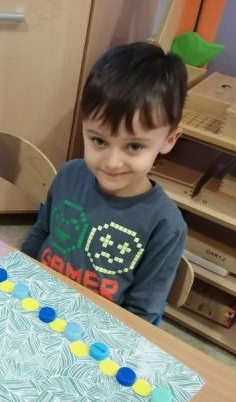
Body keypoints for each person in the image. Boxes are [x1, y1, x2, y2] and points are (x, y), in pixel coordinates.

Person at [21, 41, 187, 323]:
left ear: (169, 140)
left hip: (95, 330)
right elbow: (41, 233)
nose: (112, 162)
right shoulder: (68, 175)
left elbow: (143, 313)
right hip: (39, 303)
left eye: (134, 146)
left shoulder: (166, 225)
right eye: (99, 140)